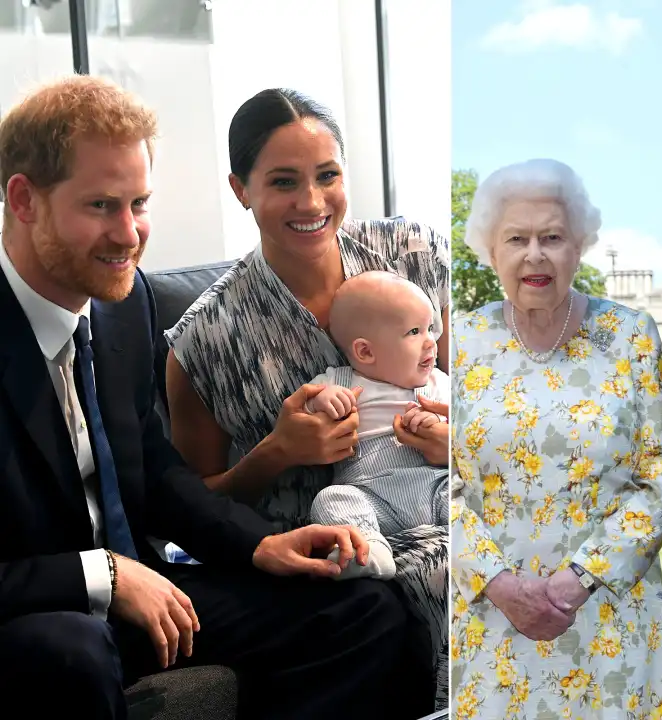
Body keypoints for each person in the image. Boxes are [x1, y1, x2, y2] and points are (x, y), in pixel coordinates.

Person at [0, 74, 425, 720]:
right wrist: (102, 574)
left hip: (144, 585)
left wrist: (261, 545)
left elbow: (156, 470)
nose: (129, 234)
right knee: (70, 653)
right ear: (24, 200)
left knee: (362, 609)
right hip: (37, 614)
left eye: (139, 203)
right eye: (101, 206)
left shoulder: (123, 305)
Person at [163, 88, 449, 709]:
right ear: (241, 189)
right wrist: (277, 452)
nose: (312, 202)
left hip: (443, 497)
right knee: (447, 573)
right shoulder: (204, 339)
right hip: (327, 554)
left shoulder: (415, 256)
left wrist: (456, 440)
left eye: (327, 176)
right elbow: (188, 508)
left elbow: (481, 400)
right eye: (284, 181)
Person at [451, 158, 662, 719]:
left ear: (579, 247)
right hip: (492, 623)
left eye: (552, 237)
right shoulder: (460, 341)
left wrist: (579, 579)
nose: (535, 254)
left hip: (609, 618)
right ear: (491, 251)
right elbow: (440, 483)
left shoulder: (631, 336)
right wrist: (499, 583)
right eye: (517, 239)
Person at [306, 271, 450, 580]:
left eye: (430, 328)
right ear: (365, 352)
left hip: (435, 487)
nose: (431, 341)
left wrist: (440, 422)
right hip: (370, 495)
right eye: (414, 331)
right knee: (330, 499)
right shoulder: (339, 382)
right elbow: (302, 409)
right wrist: (322, 401)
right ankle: (370, 550)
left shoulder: (438, 382)